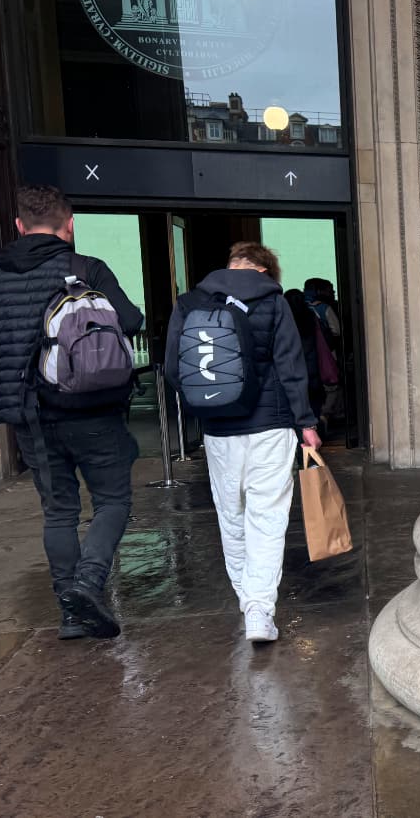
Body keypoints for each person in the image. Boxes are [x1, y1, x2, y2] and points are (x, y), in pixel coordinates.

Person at [0, 185, 144, 640]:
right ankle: (88, 583)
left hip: (29, 417)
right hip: (92, 409)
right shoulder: (86, 268)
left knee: (59, 512)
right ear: (70, 225)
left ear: (19, 225)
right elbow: (130, 320)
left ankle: (71, 615)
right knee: (112, 500)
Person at [166, 243, 321, 643]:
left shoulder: (190, 302)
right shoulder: (273, 300)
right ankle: (259, 610)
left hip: (219, 431)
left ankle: (246, 599)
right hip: (271, 426)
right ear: (265, 270)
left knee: (231, 515)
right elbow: (291, 366)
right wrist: (306, 422)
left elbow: (173, 369)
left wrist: (207, 405)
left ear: (231, 265)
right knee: (266, 518)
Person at [303, 277, 344, 429]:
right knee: (333, 386)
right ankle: (325, 416)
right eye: (329, 290)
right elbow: (337, 331)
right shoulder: (324, 308)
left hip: (306, 357)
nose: (332, 293)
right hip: (327, 354)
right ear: (319, 291)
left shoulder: (300, 307)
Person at [285, 288, 325, 424]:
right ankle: (316, 429)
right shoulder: (311, 316)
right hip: (312, 366)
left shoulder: (284, 319)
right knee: (314, 405)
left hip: (292, 368)